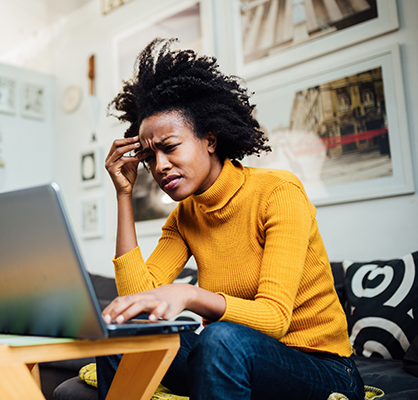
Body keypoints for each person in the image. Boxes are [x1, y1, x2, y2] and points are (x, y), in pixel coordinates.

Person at [98, 38, 364, 400]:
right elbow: (137, 301)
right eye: (149, 156)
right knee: (122, 331)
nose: (159, 166)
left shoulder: (279, 192)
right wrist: (123, 195)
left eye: (170, 147)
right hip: (231, 356)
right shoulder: (185, 217)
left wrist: (191, 294)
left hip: (321, 367)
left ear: (209, 139)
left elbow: (273, 319)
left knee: (221, 337)